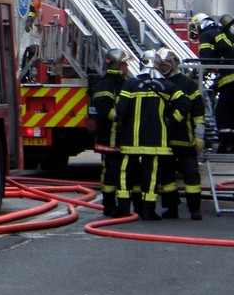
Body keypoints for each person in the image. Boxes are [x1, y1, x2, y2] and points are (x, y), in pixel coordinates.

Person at [114, 49, 176, 220]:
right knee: (151, 175)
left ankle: (124, 209)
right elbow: (184, 105)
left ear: (142, 62)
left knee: (125, 173)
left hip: (131, 139)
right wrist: (170, 120)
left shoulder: (131, 83)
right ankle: (148, 211)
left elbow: (120, 109)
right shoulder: (168, 86)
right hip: (156, 140)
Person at [190, 12, 234, 153]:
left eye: (195, 27)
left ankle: (226, 146)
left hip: (233, 77)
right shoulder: (226, 32)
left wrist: (195, 74)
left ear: (200, 24)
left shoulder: (207, 35)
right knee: (233, 111)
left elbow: (206, 61)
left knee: (223, 112)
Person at [157, 48, 205, 220]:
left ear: (173, 64)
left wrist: (200, 134)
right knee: (167, 177)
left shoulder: (187, 84)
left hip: (185, 138)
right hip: (164, 139)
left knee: (191, 175)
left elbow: (198, 109)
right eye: (161, 65)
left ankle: (194, 209)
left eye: (166, 65)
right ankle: (171, 208)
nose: (163, 68)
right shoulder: (156, 82)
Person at [88, 48, 129, 216]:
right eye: (125, 63)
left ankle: (118, 206)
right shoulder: (107, 84)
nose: (127, 67)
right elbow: (104, 107)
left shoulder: (120, 82)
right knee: (112, 173)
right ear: (118, 65)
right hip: (110, 137)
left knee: (120, 173)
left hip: (119, 137)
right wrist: (119, 118)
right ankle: (110, 205)